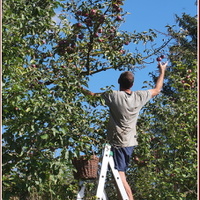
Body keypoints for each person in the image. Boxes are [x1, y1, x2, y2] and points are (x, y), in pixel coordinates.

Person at [81, 62, 167, 200]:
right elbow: (157, 89)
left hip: (118, 142)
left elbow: (91, 95)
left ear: (118, 82)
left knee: (120, 176)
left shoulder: (113, 96)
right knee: (118, 176)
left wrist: (77, 86)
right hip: (130, 142)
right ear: (132, 85)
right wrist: (162, 71)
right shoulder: (139, 96)